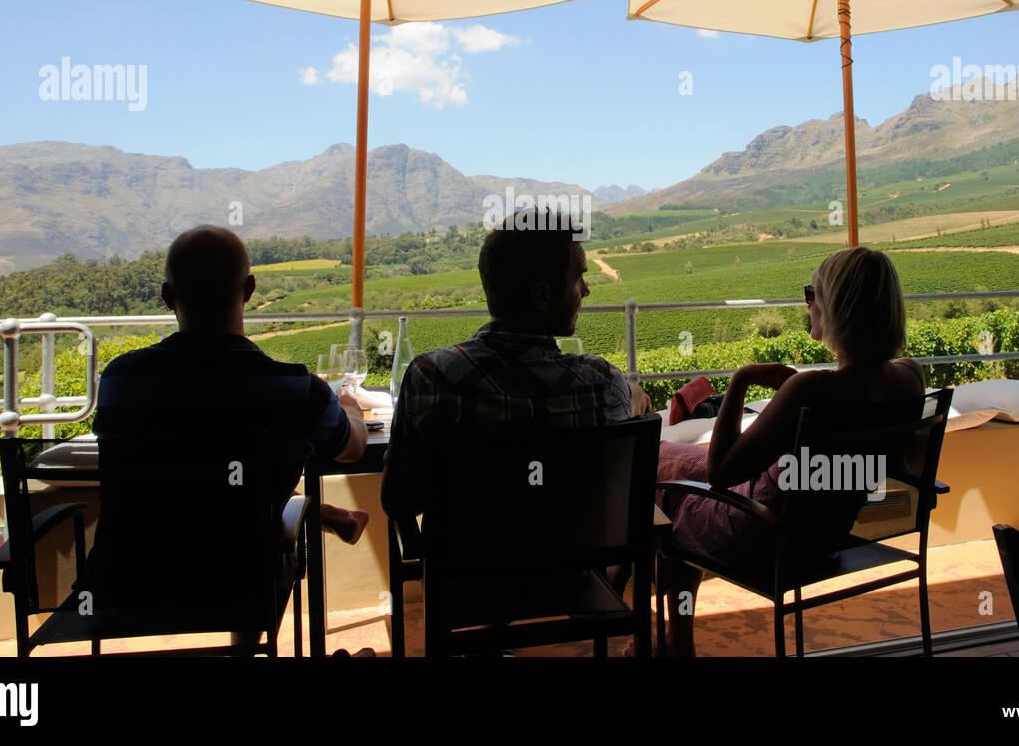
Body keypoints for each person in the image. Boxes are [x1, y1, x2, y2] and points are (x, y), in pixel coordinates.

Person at [89, 226, 369, 644]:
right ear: (250, 289)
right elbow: (352, 449)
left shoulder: (120, 379)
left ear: (167, 296)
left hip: (127, 583)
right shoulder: (294, 389)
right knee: (247, 518)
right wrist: (351, 405)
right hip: (241, 584)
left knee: (226, 498)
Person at [655, 246, 925, 656]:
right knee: (673, 465)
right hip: (829, 533)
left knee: (660, 474)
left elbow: (720, 474)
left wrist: (741, 380)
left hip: (764, 538)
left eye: (812, 292)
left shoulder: (812, 389)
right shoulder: (910, 377)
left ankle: (654, 630)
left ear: (837, 305)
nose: (808, 302)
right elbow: (892, 460)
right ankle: (677, 641)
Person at [381, 207, 651, 523]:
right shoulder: (602, 384)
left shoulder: (432, 377)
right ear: (543, 296)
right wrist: (631, 391)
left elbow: (398, 502)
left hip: (466, 572)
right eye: (578, 278)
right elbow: (631, 406)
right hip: (569, 571)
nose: (586, 291)